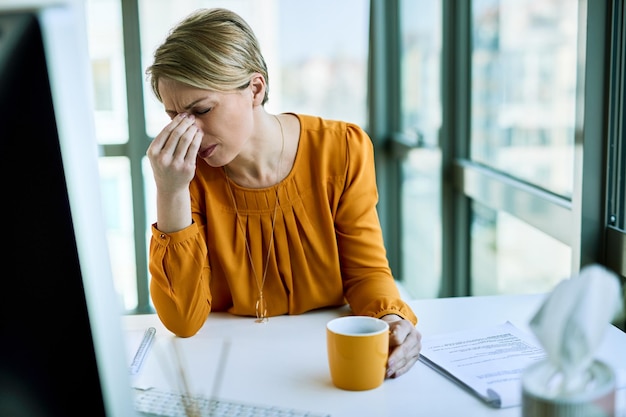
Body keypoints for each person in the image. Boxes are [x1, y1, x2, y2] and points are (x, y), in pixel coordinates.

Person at [145, 7, 422, 379]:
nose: (187, 133)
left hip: (324, 362)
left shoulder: (341, 149)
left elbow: (366, 273)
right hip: (230, 369)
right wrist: (170, 192)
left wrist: (392, 321)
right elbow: (182, 320)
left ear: (255, 89)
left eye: (201, 110)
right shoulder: (185, 176)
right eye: (173, 116)